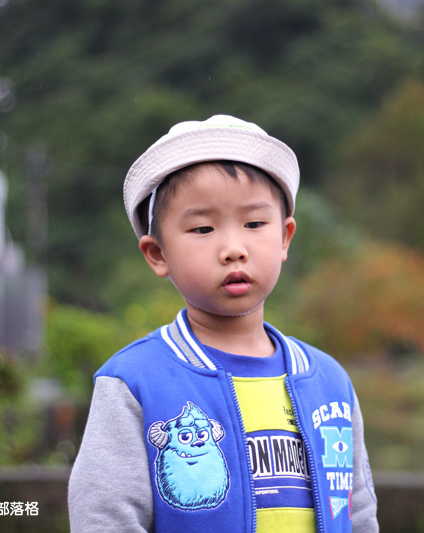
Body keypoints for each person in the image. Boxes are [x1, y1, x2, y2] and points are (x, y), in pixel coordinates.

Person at [68, 114, 379, 532]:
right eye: (202, 228)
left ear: (284, 237)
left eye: (254, 224)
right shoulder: (135, 383)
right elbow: (104, 519)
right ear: (157, 254)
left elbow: (358, 513)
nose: (233, 248)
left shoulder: (329, 381)